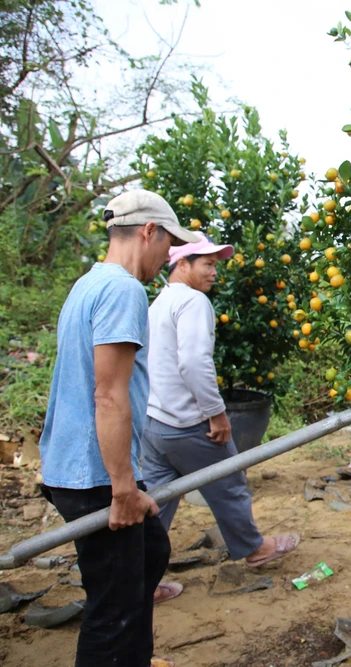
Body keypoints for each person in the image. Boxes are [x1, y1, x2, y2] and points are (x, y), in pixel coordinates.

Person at [38, 190, 201, 666]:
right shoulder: (123, 290)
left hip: (75, 466)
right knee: (114, 614)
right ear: (147, 231)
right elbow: (108, 395)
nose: (168, 256)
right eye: (167, 243)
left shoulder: (90, 282)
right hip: (94, 475)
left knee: (151, 550)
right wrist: (123, 488)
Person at [141, 232, 299, 593]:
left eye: (215, 265)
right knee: (229, 485)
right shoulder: (193, 303)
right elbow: (194, 363)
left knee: (155, 505)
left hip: (155, 424)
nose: (215, 273)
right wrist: (216, 413)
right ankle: (256, 549)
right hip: (188, 424)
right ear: (182, 264)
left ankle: (138, 582)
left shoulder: (159, 303)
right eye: (207, 264)